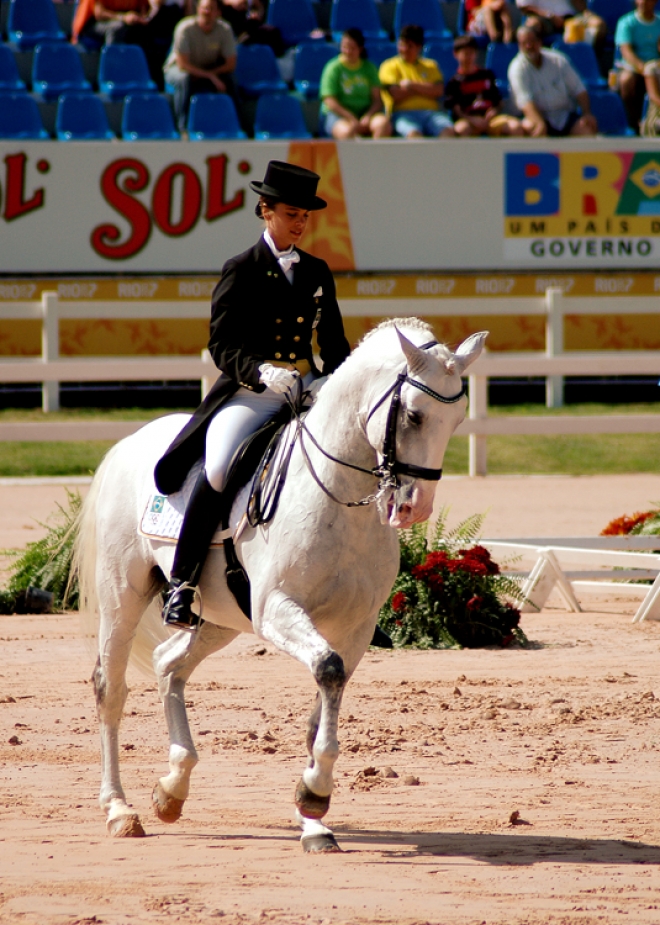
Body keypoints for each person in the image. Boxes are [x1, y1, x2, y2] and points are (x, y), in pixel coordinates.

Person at [154, 161, 351, 631]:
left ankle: (351, 591)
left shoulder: (318, 272)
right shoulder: (240, 269)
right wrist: (260, 372)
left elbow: (337, 344)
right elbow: (221, 345)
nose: (299, 225)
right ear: (265, 211)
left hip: (305, 395)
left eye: (305, 217)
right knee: (219, 467)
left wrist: (329, 379)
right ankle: (181, 585)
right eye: (290, 215)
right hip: (251, 394)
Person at [72, 0, 188, 88]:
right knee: (116, 28)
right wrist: (122, 17)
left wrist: (142, 17)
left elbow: (143, 7)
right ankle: (110, 76)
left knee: (146, 31)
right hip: (94, 25)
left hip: (124, 22)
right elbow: (99, 14)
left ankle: (148, 77)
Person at [508, 24, 598, 135]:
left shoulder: (558, 60)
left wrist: (586, 113)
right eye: (523, 43)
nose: (528, 46)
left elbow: (579, 89)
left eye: (532, 41)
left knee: (586, 129)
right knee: (532, 128)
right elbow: (525, 102)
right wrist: (540, 123)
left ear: (540, 41)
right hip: (537, 116)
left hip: (564, 116)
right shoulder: (517, 68)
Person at [163, 0, 238, 133]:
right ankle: (182, 126)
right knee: (183, 79)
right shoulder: (185, 28)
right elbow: (183, 64)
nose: (207, 12)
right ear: (198, 9)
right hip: (179, 69)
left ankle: (236, 123)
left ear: (218, 12)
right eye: (204, 8)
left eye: (211, 9)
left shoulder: (225, 29)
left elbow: (230, 64)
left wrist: (211, 74)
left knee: (230, 80)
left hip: (208, 68)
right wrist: (209, 76)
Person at [379, 24, 455, 138]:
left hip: (431, 114)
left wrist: (410, 85)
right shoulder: (389, 66)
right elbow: (396, 94)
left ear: (419, 47)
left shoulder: (431, 65)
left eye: (409, 46)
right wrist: (425, 89)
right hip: (402, 113)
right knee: (414, 134)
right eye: (401, 45)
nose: (404, 49)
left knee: (448, 131)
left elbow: (438, 91)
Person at [319, 28, 391, 139]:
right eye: (345, 47)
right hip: (339, 115)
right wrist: (351, 118)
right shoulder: (333, 68)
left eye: (352, 48)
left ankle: (375, 155)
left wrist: (367, 116)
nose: (348, 51)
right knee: (347, 132)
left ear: (360, 49)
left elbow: (377, 99)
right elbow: (330, 100)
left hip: (365, 113)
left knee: (383, 125)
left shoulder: (369, 68)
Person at [445, 35, 524, 136]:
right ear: (456, 54)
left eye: (471, 53)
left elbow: (498, 102)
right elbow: (457, 111)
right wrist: (472, 119)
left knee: (515, 127)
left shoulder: (487, 75)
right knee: (462, 129)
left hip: (491, 120)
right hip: (469, 121)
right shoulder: (454, 82)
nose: (468, 57)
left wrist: (493, 111)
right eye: (465, 53)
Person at [615, 0, 660, 132]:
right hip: (633, 68)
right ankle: (635, 124)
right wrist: (644, 68)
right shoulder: (625, 22)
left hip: (656, 67)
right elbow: (627, 52)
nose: (643, 2)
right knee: (626, 81)